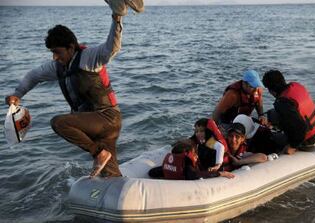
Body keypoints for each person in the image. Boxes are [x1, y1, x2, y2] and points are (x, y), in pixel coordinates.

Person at [4, 1, 144, 178]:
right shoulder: (57, 66)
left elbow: (112, 47)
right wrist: (17, 94)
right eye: (52, 53)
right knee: (110, 173)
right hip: (94, 125)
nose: (54, 57)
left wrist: (117, 19)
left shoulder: (89, 57)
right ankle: (121, 193)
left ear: (71, 47)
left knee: (59, 122)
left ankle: (98, 153)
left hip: (107, 118)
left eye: (57, 52)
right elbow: (33, 76)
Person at [262, 70, 315, 155]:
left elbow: (300, 128)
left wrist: (292, 146)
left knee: (270, 139)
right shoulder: (296, 86)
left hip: (309, 139)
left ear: (271, 91)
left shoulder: (282, 103)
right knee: (273, 115)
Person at [148, 139, 235, 180]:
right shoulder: (187, 169)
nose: (196, 156)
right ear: (187, 155)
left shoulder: (170, 165)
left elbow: (152, 172)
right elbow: (197, 174)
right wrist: (220, 173)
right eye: (194, 154)